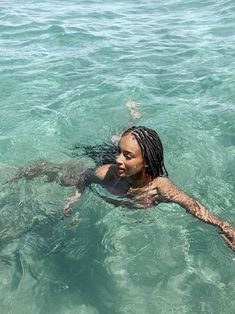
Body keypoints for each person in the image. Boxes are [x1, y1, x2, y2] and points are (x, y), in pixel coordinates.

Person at [63, 125, 235, 251]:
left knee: (120, 142)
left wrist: (224, 226)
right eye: (119, 153)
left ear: (146, 162)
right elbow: (86, 176)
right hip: (104, 157)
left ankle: (124, 133)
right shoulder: (107, 172)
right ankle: (120, 139)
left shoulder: (159, 185)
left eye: (127, 156)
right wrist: (77, 196)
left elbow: (190, 204)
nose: (118, 159)